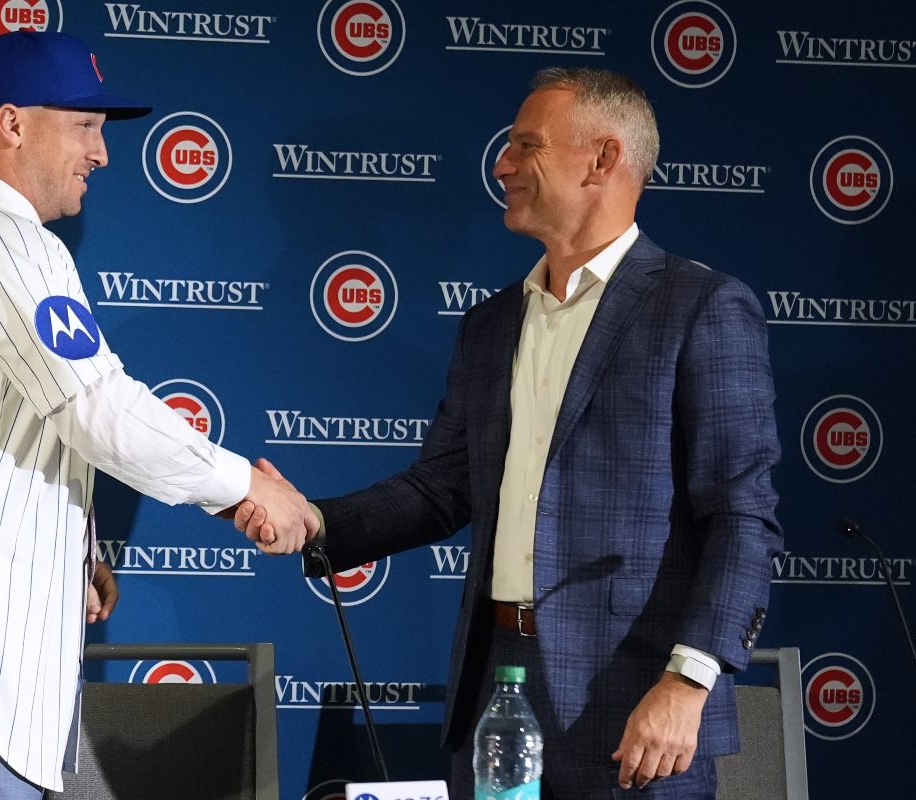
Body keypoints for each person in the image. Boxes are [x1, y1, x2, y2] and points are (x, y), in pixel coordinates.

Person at [240, 67, 782, 799]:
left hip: (636, 704)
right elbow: (440, 487)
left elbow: (742, 515)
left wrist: (688, 682)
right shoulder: (492, 323)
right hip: (495, 687)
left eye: (527, 145)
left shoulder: (700, 307)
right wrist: (314, 521)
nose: (501, 164)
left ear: (603, 158)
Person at [0, 31, 314, 799]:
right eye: (85, 125)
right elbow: (94, 406)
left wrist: (73, 551)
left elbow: (6, 420)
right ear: (14, 123)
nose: (102, 152)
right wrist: (243, 488)